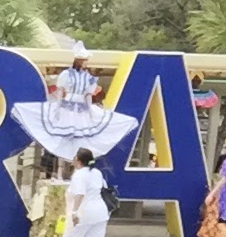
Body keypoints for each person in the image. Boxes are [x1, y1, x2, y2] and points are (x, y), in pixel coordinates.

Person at [11, 42, 139, 170]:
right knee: (64, 136)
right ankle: (61, 168)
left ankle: (76, 166)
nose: (85, 63)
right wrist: (57, 106)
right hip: (67, 105)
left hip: (81, 107)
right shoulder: (67, 74)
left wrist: (91, 109)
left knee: (81, 137)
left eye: (86, 61)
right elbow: (61, 90)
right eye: (83, 61)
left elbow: (88, 95)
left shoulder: (89, 77)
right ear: (78, 61)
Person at [46, 148, 111, 237]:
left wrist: (75, 212)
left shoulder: (80, 175)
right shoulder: (97, 172)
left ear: (78, 160)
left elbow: (80, 194)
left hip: (83, 213)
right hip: (100, 213)